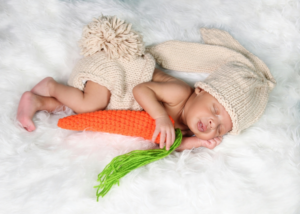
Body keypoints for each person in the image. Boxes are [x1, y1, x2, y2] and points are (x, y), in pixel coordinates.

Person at [17, 16, 276, 152]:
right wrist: (161, 117)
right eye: (215, 110)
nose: (212, 123)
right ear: (201, 90)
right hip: (116, 71)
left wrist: (197, 143)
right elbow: (141, 89)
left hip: (114, 97)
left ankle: (37, 101)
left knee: (81, 110)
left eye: (219, 129)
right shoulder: (180, 93)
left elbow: (169, 145)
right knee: (89, 105)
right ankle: (51, 86)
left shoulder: (185, 128)